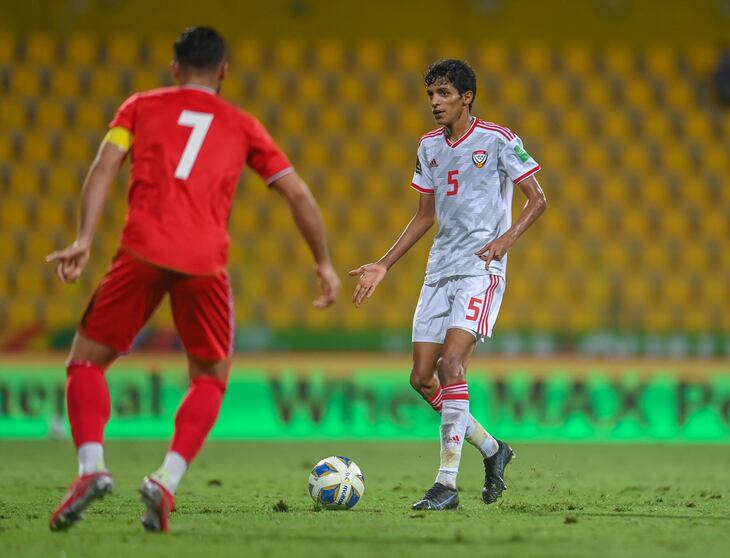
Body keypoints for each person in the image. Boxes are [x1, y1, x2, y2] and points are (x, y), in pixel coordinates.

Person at [46, 26, 340, 532]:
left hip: (140, 251)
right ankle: (165, 479)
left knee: (86, 364)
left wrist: (84, 238)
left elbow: (104, 165)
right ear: (223, 72)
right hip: (204, 262)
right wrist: (324, 263)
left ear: (174, 68)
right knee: (209, 377)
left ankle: (91, 468)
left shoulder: (138, 107)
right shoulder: (243, 125)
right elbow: (298, 194)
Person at [349, 59, 546, 510]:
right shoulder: (428, 147)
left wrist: (504, 241)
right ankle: (494, 450)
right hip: (439, 268)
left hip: (482, 267)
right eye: (430, 95)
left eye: (443, 94)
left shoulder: (498, 140)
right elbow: (424, 215)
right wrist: (383, 264)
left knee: (451, 366)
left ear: (467, 96)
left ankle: (446, 485)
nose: (435, 103)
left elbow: (538, 199)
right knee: (421, 377)